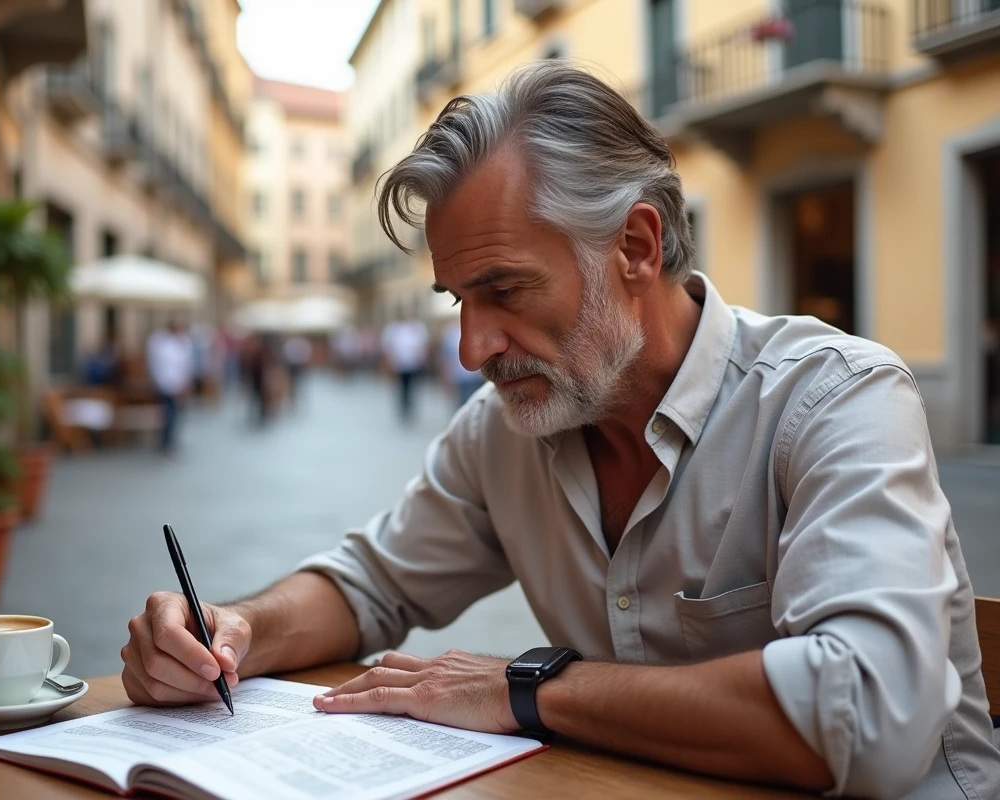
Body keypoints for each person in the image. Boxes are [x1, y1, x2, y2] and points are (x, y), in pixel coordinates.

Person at [121, 62, 1000, 799]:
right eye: (458, 301)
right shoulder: (507, 431)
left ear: (636, 248)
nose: (471, 348)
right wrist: (231, 628)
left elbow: (872, 716)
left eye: (503, 290)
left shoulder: (835, 399)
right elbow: (369, 587)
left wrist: (526, 689)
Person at [145, 318, 192, 453]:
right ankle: (166, 442)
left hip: (178, 385)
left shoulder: (183, 342)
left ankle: (172, 441)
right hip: (165, 385)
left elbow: (185, 366)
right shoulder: (159, 342)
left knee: (176, 414)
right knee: (167, 414)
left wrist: (185, 384)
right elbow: (157, 366)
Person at [380, 313, 428, 423]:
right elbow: (389, 347)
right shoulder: (394, 329)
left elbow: (422, 346)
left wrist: (421, 359)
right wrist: (389, 362)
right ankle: (403, 407)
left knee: (412, 387)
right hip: (399, 364)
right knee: (401, 387)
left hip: (413, 364)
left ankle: (410, 406)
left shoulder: (417, 328)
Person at [439, 320, 486, 408]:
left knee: (478, 402)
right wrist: (447, 378)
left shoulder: (475, 329)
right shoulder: (450, 334)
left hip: (475, 376)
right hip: (460, 377)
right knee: (464, 403)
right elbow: (446, 359)